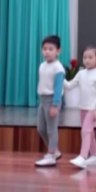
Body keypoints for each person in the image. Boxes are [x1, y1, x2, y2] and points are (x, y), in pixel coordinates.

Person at [64, 46, 96, 169]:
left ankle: (83, 157)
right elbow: (70, 85)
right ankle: (95, 156)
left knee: (85, 131)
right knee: (89, 132)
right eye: (85, 57)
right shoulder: (81, 73)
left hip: (93, 109)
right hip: (83, 108)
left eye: (90, 57)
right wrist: (60, 78)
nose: (87, 60)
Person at [34, 35, 65, 167]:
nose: (47, 52)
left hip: (52, 100)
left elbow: (58, 88)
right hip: (43, 100)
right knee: (41, 128)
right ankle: (54, 150)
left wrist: (55, 105)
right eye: (45, 49)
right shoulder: (42, 65)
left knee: (52, 130)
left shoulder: (58, 68)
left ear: (58, 51)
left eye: (51, 49)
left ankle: (51, 155)